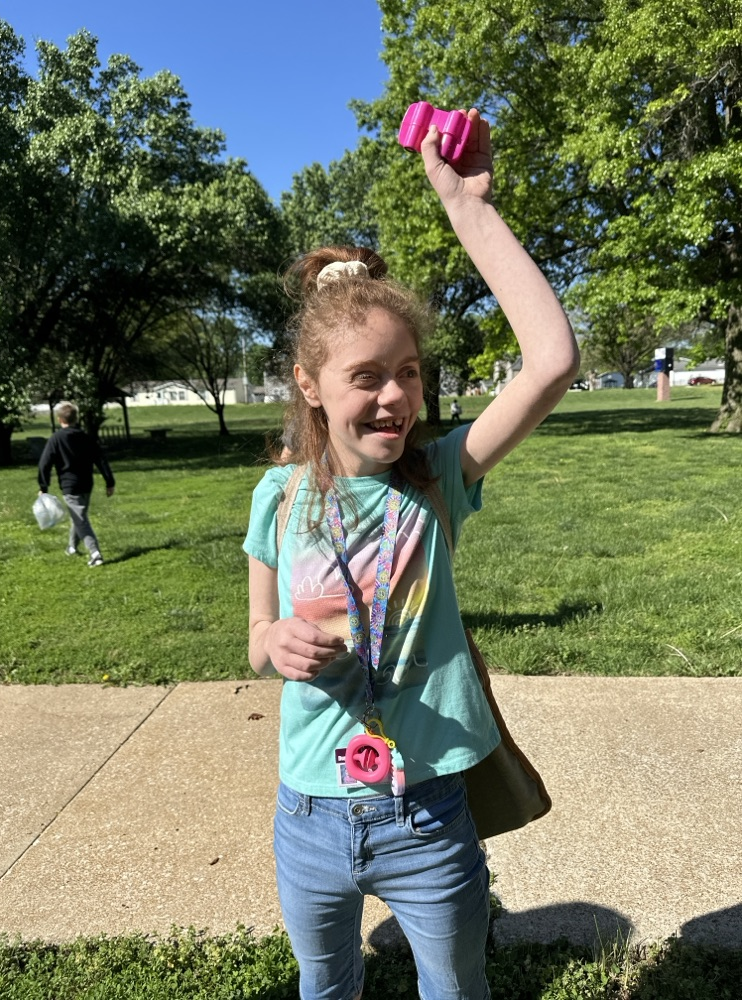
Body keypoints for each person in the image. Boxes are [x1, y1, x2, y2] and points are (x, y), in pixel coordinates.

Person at [243, 108, 578, 1000]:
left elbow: (549, 360)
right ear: (311, 388)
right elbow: (256, 635)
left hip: (427, 813)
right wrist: (274, 645)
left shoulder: (439, 477)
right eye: (366, 376)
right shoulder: (276, 497)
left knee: (455, 990)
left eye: (409, 372)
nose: (395, 395)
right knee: (324, 985)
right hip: (308, 815)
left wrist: (469, 209)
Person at [38, 401, 115, 567]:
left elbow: (44, 463)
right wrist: (109, 481)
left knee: (80, 519)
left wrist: (43, 487)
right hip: (87, 484)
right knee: (78, 516)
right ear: (76, 418)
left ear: (60, 419)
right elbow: (101, 459)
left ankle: (95, 554)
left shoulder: (56, 439)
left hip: (69, 486)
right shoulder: (86, 437)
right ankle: (72, 547)